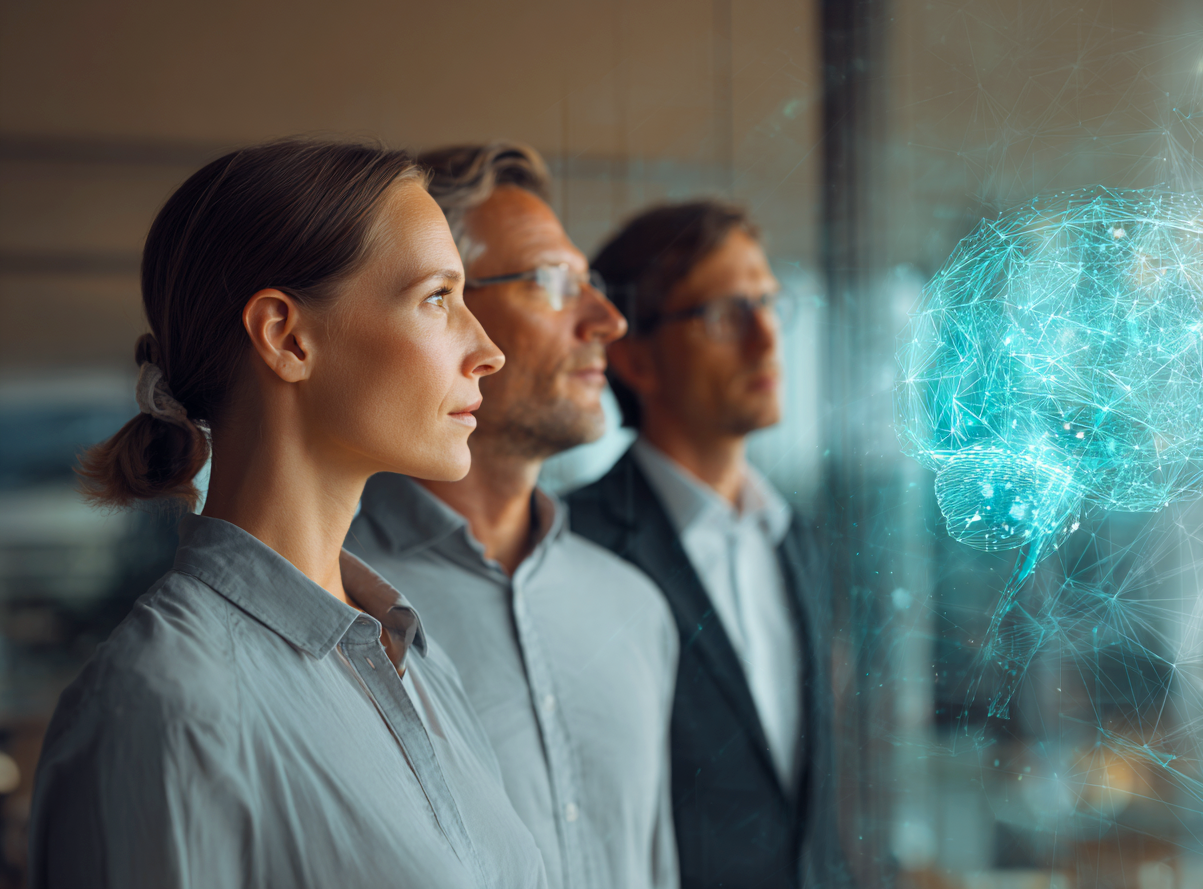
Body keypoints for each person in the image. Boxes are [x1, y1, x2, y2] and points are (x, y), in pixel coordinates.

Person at [28, 139, 547, 889]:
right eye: (438, 297)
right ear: (287, 337)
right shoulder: (167, 705)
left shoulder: (413, 658)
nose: (487, 349)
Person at [346, 142, 679, 889]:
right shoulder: (329, 606)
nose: (608, 321)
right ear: (442, 308)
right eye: (553, 283)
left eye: (592, 284)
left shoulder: (637, 610)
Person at [567, 202, 844, 889]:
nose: (766, 338)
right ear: (634, 358)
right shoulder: (572, 545)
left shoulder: (793, 535)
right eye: (724, 313)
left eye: (770, 303)